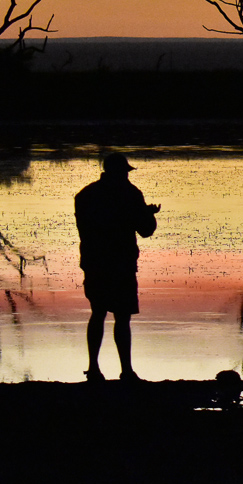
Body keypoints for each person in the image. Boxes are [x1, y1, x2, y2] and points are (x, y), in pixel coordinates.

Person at [75, 152, 160, 382]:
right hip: (121, 263)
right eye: (125, 172)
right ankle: (126, 371)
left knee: (98, 313)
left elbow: (85, 230)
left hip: (94, 263)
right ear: (120, 172)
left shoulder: (85, 195)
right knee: (122, 317)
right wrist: (149, 214)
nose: (127, 176)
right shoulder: (130, 194)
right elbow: (146, 230)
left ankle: (94, 369)